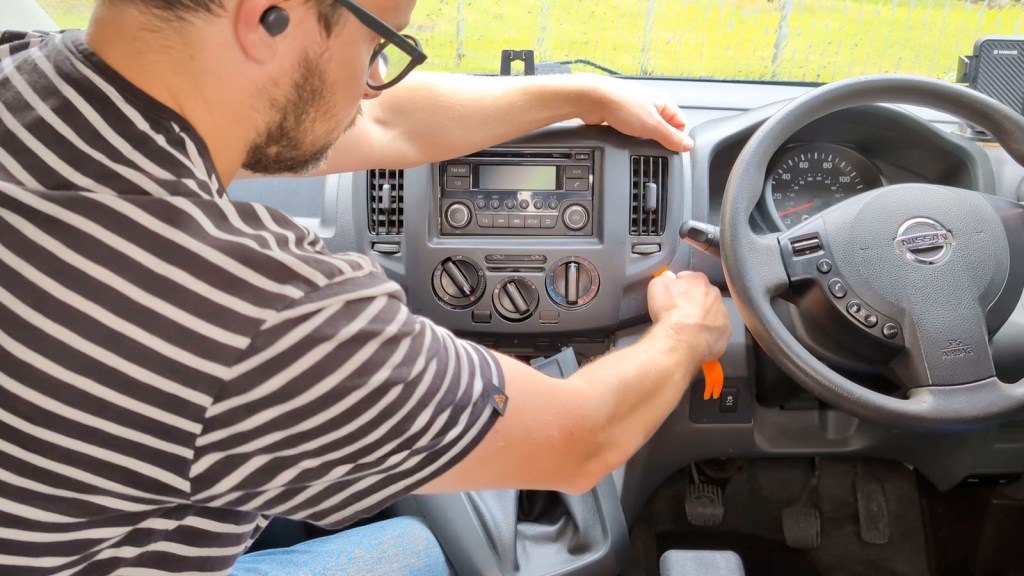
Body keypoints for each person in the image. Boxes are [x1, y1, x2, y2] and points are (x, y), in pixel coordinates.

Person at [0, 0, 731, 574]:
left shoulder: (26, 68)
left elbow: (380, 121)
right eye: (378, 45)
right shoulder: (255, 309)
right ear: (267, 17)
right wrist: (685, 332)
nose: (374, 78)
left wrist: (579, 95)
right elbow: (581, 439)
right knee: (419, 551)